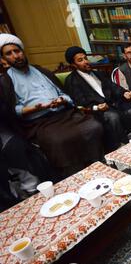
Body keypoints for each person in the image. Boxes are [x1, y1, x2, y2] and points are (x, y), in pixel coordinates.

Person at [0, 34, 104, 177]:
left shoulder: (42, 71)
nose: (15, 56)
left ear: (23, 52)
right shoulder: (6, 81)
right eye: (9, 53)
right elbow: (13, 111)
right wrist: (35, 108)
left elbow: (65, 94)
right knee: (59, 140)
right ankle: (75, 175)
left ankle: (97, 165)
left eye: (17, 51)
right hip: (40, 122)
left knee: (94, 126)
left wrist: (62, 99)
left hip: (65, 114)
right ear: (4, 59)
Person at [64, 46, 131, 143]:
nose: (86, 61)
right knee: (113, 117)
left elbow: (113, 86)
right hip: (95, 110)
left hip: (112, 103)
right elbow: (79, 103)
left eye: (85, 58)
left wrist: (124, 92)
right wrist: (97, 107)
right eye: (80, 60)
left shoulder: (97, 73)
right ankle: (123, 145)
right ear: (73, 65)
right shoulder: (71, 81)